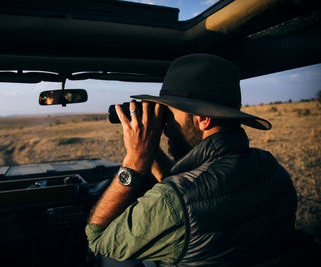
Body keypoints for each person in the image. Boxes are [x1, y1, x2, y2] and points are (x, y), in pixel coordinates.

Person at [85, 54, 297, 266]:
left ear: (203, 119)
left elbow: (98, 239)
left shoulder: (173, 203)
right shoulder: (271, 167)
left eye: (169, 112)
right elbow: (190, 186)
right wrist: (150, 150)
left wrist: (134, 163)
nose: (164, 123)